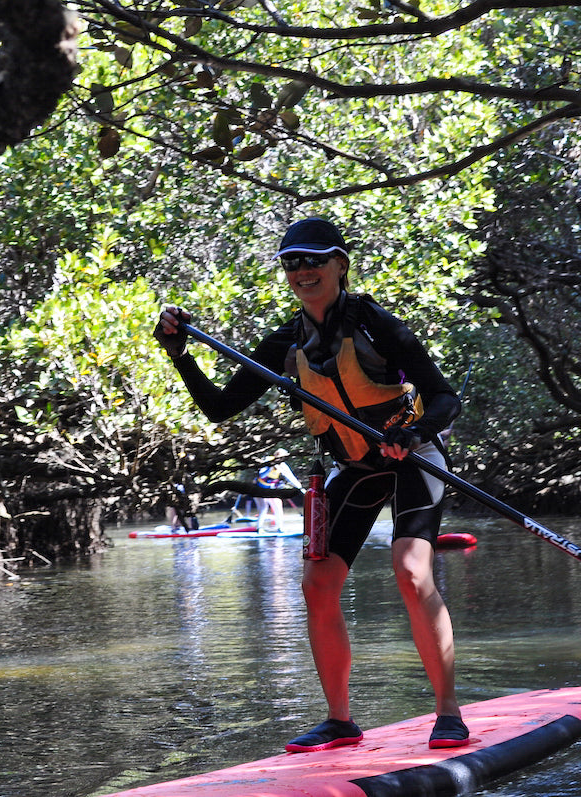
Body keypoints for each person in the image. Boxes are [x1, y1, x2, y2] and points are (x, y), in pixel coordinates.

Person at [154, 217, 468, 752]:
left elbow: (444, 398)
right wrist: (178, 354)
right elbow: (218, 409)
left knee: (412, 572)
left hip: (414, 458)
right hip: (355, 468)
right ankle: (341, 721)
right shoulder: (286, 341)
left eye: (314, 259)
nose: (302, 270)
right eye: (291, 262)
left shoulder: (377, 325)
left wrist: (415, 431)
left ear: (339, 265)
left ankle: (448, 713)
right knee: (316, 585)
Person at [254, 448, 302, 530]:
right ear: (276, 455)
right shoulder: (268, 460)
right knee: (264, 507)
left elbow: (290, 476)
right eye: (281, 457)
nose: (282, 459)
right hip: (260, 488)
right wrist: (270, 467)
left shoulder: (282, 465)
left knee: (278, 505)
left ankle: (280, 528)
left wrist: (299, 487)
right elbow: (261, 475)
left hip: (270, 488)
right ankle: (259, 528)